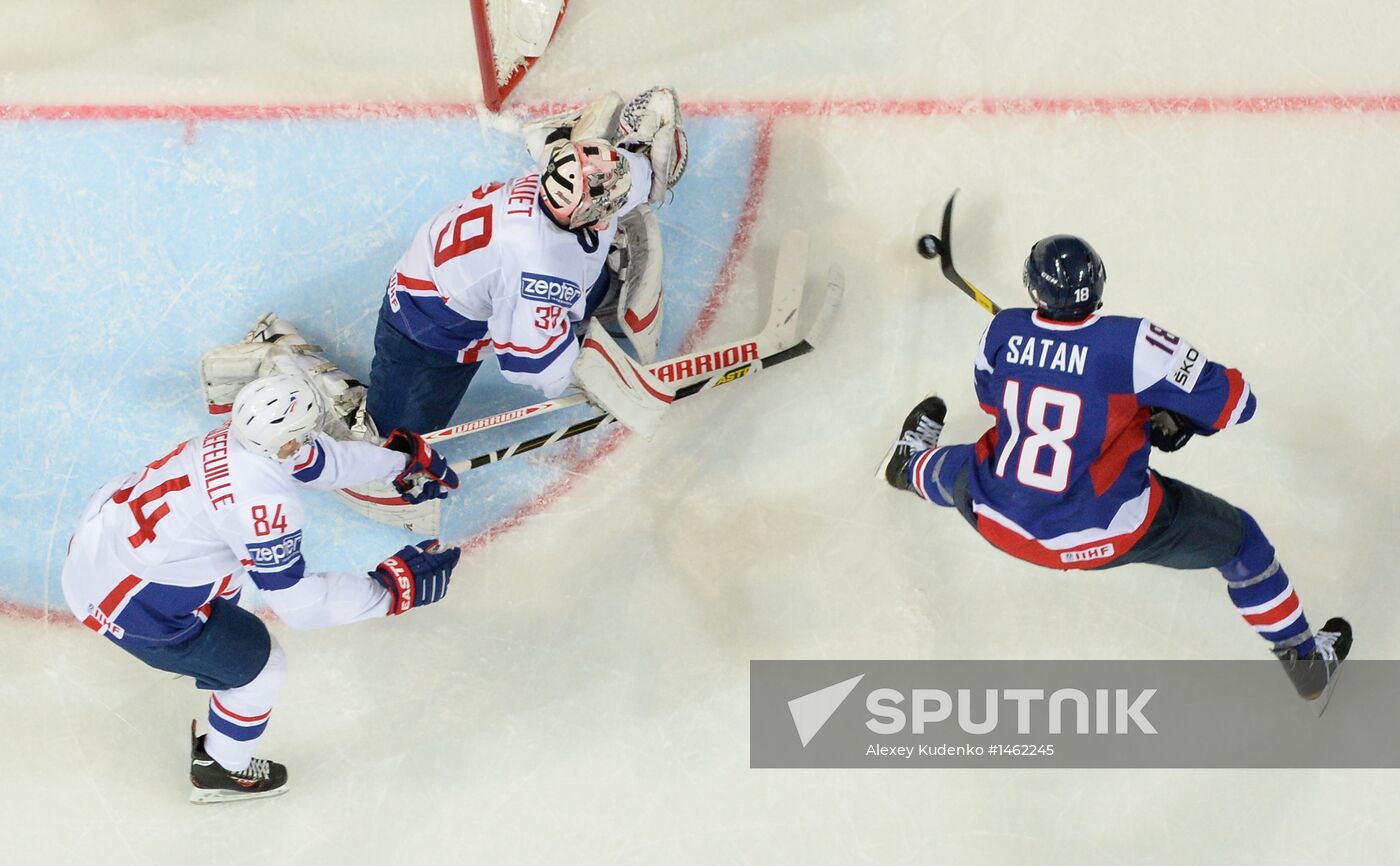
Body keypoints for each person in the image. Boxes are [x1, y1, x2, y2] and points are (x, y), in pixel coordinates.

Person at [881, 234, 1351, 700]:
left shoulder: (1002, 330)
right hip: (1105, 532)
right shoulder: (1134, 344)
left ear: (1032, 287)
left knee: (966, 468)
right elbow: (1236, 404)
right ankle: (1305, 663)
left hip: (1002, 519)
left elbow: (990, 402)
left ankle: (908, 467)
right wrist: (1168, 409)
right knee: (1242, 542)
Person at [61, 373, 462, 803]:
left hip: (101, 544)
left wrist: (396, 463)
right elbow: (300, 605)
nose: (310, 441)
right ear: (287, 442)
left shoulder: (239, 437)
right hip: (130, 603)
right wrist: (389, 591)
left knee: (226, 574)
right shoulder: (263, 505)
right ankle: (222, 768)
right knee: (260, 668)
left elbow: (316, 460)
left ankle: (206, 663)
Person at [367, 86, 688, 438]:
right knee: (399, 441)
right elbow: (528, 363)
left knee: (572, 266)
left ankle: (561, 138)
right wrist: (590, 376)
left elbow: (612, 184)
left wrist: (645, 163)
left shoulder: (552, 181)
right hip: (426, 327)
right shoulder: (541, 269)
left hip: (465, 271)